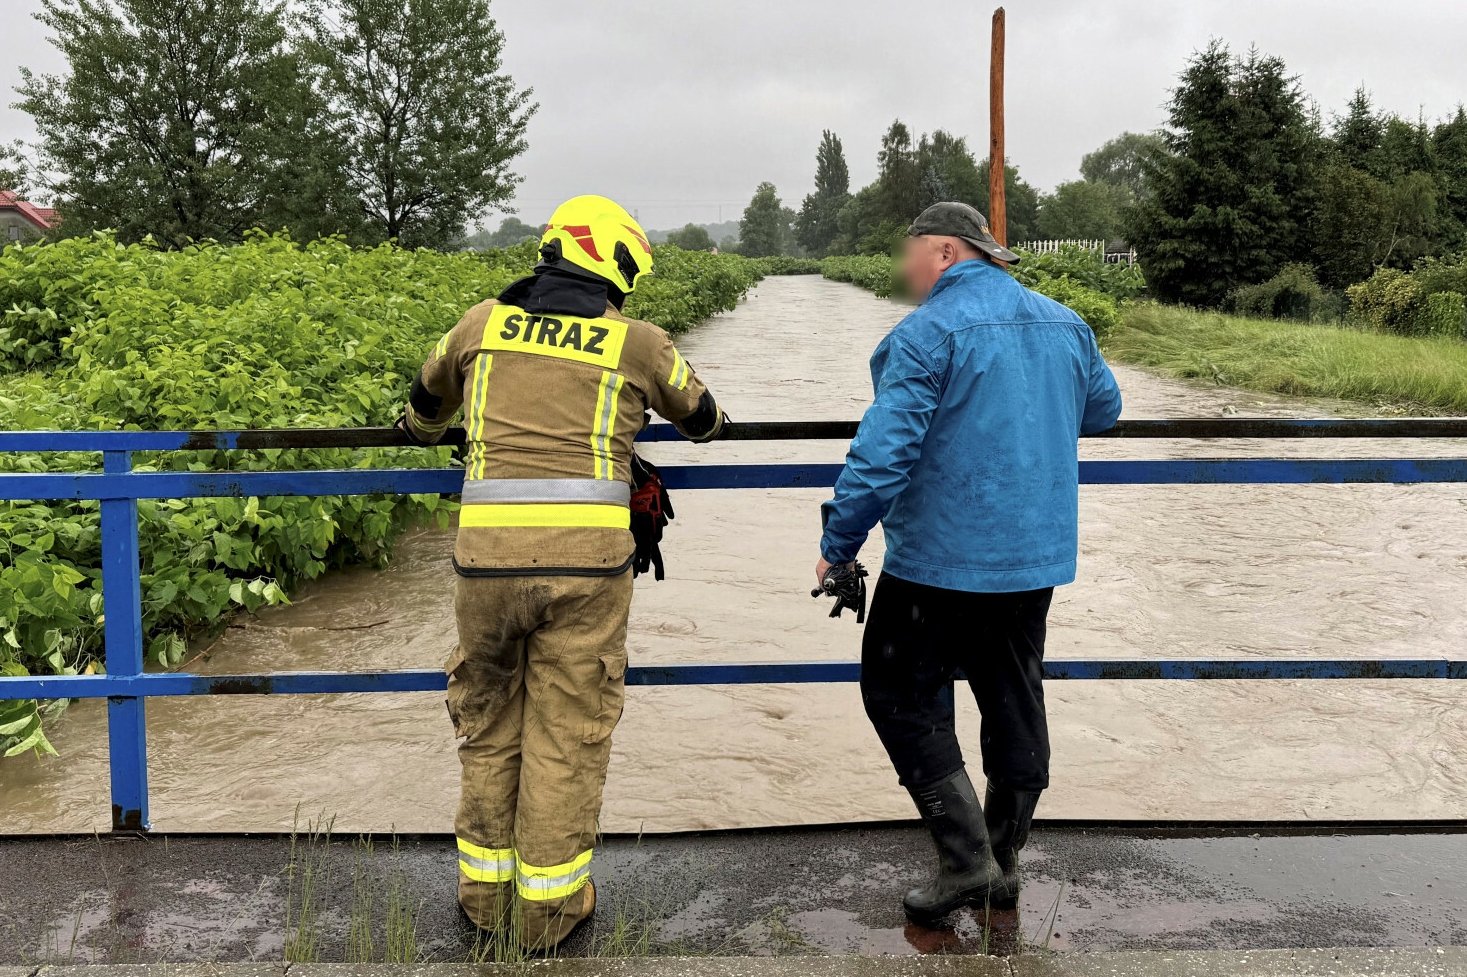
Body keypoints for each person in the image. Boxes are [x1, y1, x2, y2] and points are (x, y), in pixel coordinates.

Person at [399, 194, 724, 950]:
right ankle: (547, 913)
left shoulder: (483, 322)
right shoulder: (635, 341)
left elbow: (423, 408)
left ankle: (483, 899)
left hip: (482, 566)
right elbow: (704, 419)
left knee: (487, 721)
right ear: (613, 265)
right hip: (586, 569)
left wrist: (433, 428)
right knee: (567, 732)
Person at [816, 201, 1122, 923]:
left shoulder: (924, 334)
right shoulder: (1064, 321)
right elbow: (1103, 408)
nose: (903, 268)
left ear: (945, 252)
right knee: (1013, 693)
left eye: (909, 253)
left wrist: (839, 544)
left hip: (938, 562)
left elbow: (882, 455)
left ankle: (966, 862)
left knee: (898, 693)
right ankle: (1002, 855)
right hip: (1032, 556)